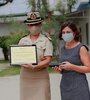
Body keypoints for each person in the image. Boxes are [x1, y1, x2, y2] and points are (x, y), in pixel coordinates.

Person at [18, 11, 53, 100]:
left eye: (36, 24)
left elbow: (48, 60)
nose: (34, 27)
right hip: (26, 76)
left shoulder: (46, 40)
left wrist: (35, 66)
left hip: (41, 76)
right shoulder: (22, 41)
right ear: (28, 26)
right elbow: (18, 57)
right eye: (31, 24)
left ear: (40, 24)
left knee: (43, 97)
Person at [53, 21, 90, 100]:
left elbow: (88, 68)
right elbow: (65, 67)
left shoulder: (81, 48)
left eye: (68, 32)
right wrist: (60, 69)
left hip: (79, 86)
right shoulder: (62, 49)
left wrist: (72, 66)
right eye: (63, 32)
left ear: (74, 33)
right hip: (65, 85)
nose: (65, 34)